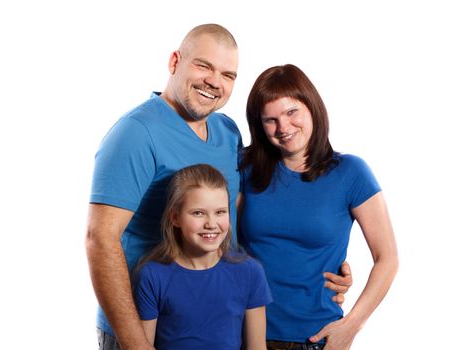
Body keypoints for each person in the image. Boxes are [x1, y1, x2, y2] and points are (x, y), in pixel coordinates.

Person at [85, 24, 351, 350]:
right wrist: (136, 344)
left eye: (228, 75)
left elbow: (237, 223)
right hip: (145, 326)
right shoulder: (136, 133)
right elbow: (100, 239)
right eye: (204, 66)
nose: (215, 81)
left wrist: (318, 270)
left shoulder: (227, 132)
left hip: (219, 324)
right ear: (174, 62)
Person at [238, 64, 398, 350]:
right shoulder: (244, 168)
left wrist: (351, 326)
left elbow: (387, 258)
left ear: (312, 107)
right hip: (243, 335)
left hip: (315, 339)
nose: (283, 128)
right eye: (270, 119)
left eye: (291, 112)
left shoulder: (351, 172)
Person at [133, 164, 271, 350]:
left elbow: (256, 347)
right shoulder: (151, 276)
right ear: (175, 218)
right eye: (198, 213)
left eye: (220, 212)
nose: (211, 224)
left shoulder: (250, 272)